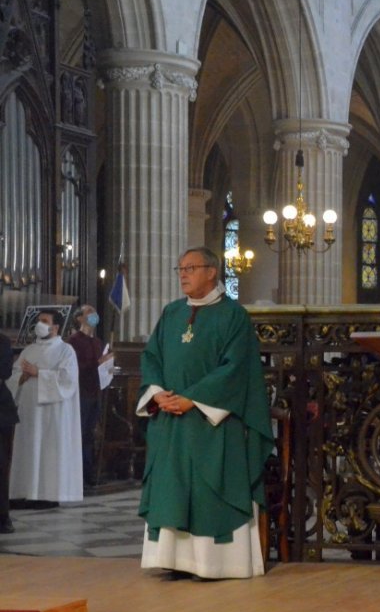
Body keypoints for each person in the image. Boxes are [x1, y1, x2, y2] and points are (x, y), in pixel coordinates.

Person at [137, 247, 274, 579]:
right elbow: (151, 358)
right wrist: (160, 394)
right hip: (171, 420)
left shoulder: (233, 316)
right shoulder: (171, 314)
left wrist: (192, 399)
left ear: (212, 272)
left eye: (191, 268)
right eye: (180, 268)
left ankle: (214, 564)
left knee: (208, 488)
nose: (183, 274)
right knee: (172, 487)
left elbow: (235, 369)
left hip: (213, 423)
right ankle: (173, 559)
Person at [5, 311, 83, 507]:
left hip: (52, 413)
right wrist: (21, 377)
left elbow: (68, 380)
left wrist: (39, 373)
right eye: (38, 321)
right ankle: (22, 492)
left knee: (48, 451)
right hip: (28, 412)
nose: (39, 324)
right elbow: (13, 375)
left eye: (44, 321)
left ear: (55, 327)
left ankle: (47, 495)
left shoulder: (66, 350)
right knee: (27, 449)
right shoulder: (28, 350)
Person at [65, 304, 113, 485]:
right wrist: (98, 362)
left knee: (90, 434)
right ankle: (79, 473)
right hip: (81, 392)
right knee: (80, 433)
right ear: (79, 318)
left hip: (95, 392)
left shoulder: (97, 342)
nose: (94, 315)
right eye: (89, 312)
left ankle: (90, 472)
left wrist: (107, 366)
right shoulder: (73, 341)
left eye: (95, 311)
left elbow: (99, 366)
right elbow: (74, 368)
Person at [0, 332, 17, 533]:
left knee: (1, 464)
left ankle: (3, 516)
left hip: (1, 411)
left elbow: (4, 371)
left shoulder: (2, 341)